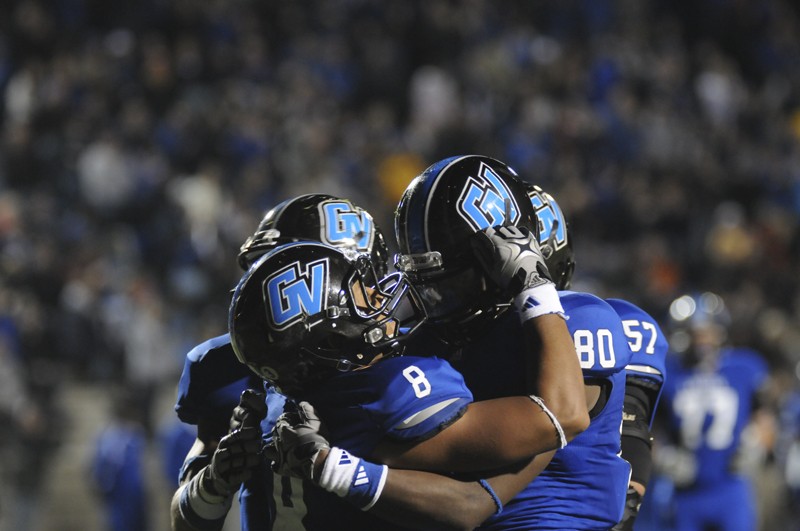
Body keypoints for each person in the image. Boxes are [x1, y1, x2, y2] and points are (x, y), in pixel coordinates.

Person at [267, 155, 631, 529]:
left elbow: (560, 419)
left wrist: (534, 288)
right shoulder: (427, 340)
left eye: (446, 281)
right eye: (423, 280)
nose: (433, 298)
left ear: (504, 262)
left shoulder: (581, 320)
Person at [170, 193, 392, 531]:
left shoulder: (405, 358)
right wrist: (215, 482)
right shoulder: (222, 365)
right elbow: (185, 522)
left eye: (287, 268)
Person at [639, 291, 771, 531]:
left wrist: (757, 445)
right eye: (695, 333)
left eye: (706, 331)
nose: (702, 340)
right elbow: (652, 430)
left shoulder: (744, 367)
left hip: (731, 485)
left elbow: (764, 418)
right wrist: (664, 459)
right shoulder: (669, 373)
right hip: (686, 491)